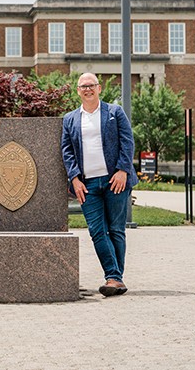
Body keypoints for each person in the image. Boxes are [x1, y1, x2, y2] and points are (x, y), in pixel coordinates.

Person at [61, 73, 138, 297]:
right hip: (87, 185)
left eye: (91, 85)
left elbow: (127, 141)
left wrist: (123, 170)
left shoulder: (114, 113)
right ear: (78, 91)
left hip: (116, 180)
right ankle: (115, 277)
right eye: (83, 86)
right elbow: (67, 152)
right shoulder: (71, 119)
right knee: (96, 231)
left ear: (99, 88)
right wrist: (74, 178)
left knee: (116, 230)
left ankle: (114, 278)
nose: (87, 89)